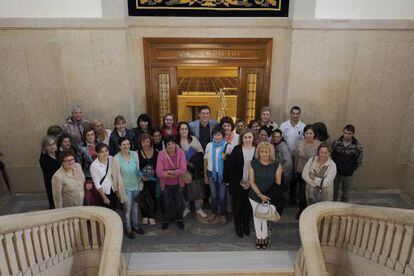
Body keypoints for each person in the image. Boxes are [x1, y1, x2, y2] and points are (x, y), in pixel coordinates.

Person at [248, 141, 282, 249]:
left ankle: (265, 236)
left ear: (270, 153)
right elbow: (252, 182)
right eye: (261, 151)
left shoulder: (276, 164)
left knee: (265, 217)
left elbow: (278, 183)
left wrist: (266, 197)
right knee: (257, 216)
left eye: (266, 152)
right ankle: (259, 237)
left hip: (269, 195)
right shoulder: (253, 163)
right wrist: (259, 194)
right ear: (259, 152)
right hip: (254, 195)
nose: (264, 154)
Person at [113, 137, 145, 239]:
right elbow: (115, 176)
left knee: (135, 208)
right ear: (119, 146)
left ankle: (135, 226)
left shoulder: (134, 154)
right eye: (123, 144)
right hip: (125, 188)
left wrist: (142, 175)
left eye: (128, 144)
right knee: (127, 210)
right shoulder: (116, 158)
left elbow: (137, 169)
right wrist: (117, 190)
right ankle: (128, 229)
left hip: (136, 185)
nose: (126, 146)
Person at [226, 129, 255, 238]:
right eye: (245, 137)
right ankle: (238, 227)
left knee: (248, 207)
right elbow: (231, 168)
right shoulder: (237, 149)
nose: (247, 139)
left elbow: (258, 169)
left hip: (252, 184)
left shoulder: (257, 150)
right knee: (238, 206)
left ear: (253, 138)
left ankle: (246, 225)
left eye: (249, 137)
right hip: (238, 184)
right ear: (242, 138)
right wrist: (239, 182)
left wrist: (249, 182)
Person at [156, 136, 187, 230]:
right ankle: (166, 220)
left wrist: (169, 172)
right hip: (166, 185)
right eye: (168, 144)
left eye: (173, 143)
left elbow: (183, 169)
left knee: (179, 203)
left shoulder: (181, 152)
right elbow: (159, 172)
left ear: (175, 144)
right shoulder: (161, 154)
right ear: (165, 145)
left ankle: (179, 220)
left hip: (179, 183)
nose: (171, 146)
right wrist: (175, 173)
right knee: (167, 203)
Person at [177, 122, 207, 218]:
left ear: (188, 130)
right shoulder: (176, 142)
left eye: (186, 129)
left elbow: (201, 152)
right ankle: (187, 208)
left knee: (195, 188)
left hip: (193, 169)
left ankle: (198, 208)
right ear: (179, 130)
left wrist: (192, 161)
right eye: (182, 129)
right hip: (181, 170)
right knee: (183, 189)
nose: (184, 131)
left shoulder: (193, 139)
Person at [280, 106, 306, 205]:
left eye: (297, 113)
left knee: (296, 177)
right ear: (290, 114)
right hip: (286, 156)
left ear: (299, 114)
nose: (295, 115)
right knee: (286, 177)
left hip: (298, 156)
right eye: (293, 113)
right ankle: (284, 197)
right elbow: (280, 139)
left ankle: (293, 198)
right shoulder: (283, 125)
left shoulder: (303, 126)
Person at [332, 125, 363, 202]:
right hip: (335, 173)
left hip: (348, 175)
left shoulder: (357, 146)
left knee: (345, 194)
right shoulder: (336, 143)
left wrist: (351, 169)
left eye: (349, 133)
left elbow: (359, 160)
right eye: (345, 133)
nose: (346, 135)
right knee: (333, 192)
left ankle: (344, 208)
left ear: (353, 134)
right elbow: (331, 156)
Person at [295, 124, 321, 219]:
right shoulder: (300, 143)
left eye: (311, 133)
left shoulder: (319, 144)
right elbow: (296, 157)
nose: (308, 135)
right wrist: (295, 169)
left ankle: (311, 212)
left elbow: (321, 159)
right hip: (301, 171)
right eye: (307, 133)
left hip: (313, 173)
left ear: (314, 134)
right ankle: (301, 211)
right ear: (304, 134)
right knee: (301, 193)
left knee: (312, 193)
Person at [204, 126, 228, 224]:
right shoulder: (209, 145)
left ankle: (222, 214)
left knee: (222, 196)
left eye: (219, 135)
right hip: (211, 173)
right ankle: (213, 213)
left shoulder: (227, 146)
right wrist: (205, 175)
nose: (217, 137)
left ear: (223, 135)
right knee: (213, 195)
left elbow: (231, 162)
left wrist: (226, 158)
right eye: (215, 135)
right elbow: (205, 160)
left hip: (222, 175)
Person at [90, 143, 123, 211]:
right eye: (102, 152)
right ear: (97, 153)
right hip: (103, 192)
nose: (105, 153)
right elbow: (97, 184)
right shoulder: (94, 165)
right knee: (106, 213)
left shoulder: (111, 159)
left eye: (106, 151)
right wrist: (104, 197)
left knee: (115, 211)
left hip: (113, 190)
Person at [137, 134, 159, 225]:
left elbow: (159, 166)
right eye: (143, 142)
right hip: (142, 180)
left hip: (153, 180)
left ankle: (151, 215)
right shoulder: (136, 153)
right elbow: (135, 168)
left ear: (150, 142)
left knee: (153, 198)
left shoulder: (156, 152)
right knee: (143, 198)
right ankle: (144, 215)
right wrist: (141, 176)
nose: (145, 144)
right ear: (140, 143)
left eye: (147, 141)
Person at [39, 136, 61, 209]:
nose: (52, 146)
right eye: (49, 145)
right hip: (52, 183)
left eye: (53, 144)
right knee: (55, 202)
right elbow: (49, 175)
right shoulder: (44, 159)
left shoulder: (59, 154)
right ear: (45, 147)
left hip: (62, 181)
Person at [271, 129, 293, 201]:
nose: (276, 138)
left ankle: (283, 205)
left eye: (278, 137)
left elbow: (288, 163)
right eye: (274, 136)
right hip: (277, 172)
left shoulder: (284, 147)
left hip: (285, 173)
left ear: (281, 137)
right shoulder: (272, 145)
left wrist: (279, 170)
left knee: (284, 191)